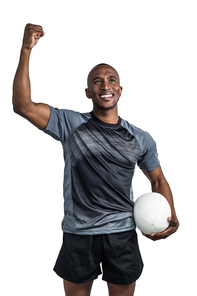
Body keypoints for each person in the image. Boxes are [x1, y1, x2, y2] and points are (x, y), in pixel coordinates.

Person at [12, 24, 179, 296]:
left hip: (122, 233)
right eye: (97, 81)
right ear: (88, 92)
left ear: (120, 90)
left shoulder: (140, 138)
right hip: (79, 233)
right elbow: (23, 106)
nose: (105, 85)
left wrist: (171, 215)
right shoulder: (71, 124)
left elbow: (158, 179)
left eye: (111, 80)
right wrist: (26, 49)